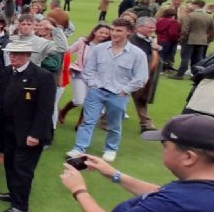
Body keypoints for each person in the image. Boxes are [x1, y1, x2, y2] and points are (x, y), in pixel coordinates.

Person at [60, 114, 214, 212]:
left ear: (188, 157)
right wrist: (115, 175)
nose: (163, 151)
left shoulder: (177, 203)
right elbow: (161, 192)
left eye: (165, 146)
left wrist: (79, 190)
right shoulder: (198, 189)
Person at [68, 18, 148, 162]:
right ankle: (79, 148)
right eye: (112, 30)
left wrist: (125, 90)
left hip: (118, 94)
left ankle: (111, 149)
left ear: (128, 32)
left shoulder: (137, 54)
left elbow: (141, 77)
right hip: (97, 91)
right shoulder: (99, 49)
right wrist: (93, 84)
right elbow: (89, 70)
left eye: (119, 30)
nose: (114, 33)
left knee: (114, 124)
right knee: (88, 121)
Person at [0, 40, 56, 212]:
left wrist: (35, 135)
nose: (13, 57)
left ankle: (20, 206)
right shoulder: (7, 72)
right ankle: (13, 194)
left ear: (28, 55)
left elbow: (45, 110)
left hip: (29, 133)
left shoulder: (42, 76)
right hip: (8, 129)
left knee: (23, 169)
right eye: (11, 53)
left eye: (17, 54)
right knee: (10, 164)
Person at [58, 24, 111, 129]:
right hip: (80, 73)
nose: (103, 35)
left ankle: (80, 123)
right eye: (101, 32)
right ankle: (63, 111)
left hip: (96, 78)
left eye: (106, 33)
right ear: (95, 32)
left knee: (89, 100)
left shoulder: (108, 47)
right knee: (79, 100)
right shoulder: (83, 42)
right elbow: (68, 50)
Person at [128, 17, 159, 132]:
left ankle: (146, 125)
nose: (153, 30)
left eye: (154, 27)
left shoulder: (150, 39)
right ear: (139, 28)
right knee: (118, 98)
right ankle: (105, 120)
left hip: (146, 75)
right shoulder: (132, 39)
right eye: (150, 28)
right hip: (131, 74)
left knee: (141, 99)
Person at [175, 0, 214, 79]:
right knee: (197, 59)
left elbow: (185, 29)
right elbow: (212, 30)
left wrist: (182, 38)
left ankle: (180, 74)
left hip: (189, 39)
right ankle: (196, 75)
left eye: (192, 5)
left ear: (196, 5)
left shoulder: (189, 15)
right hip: (202, 40)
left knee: (185, 58)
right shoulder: (209, 16)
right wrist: (209, 40)